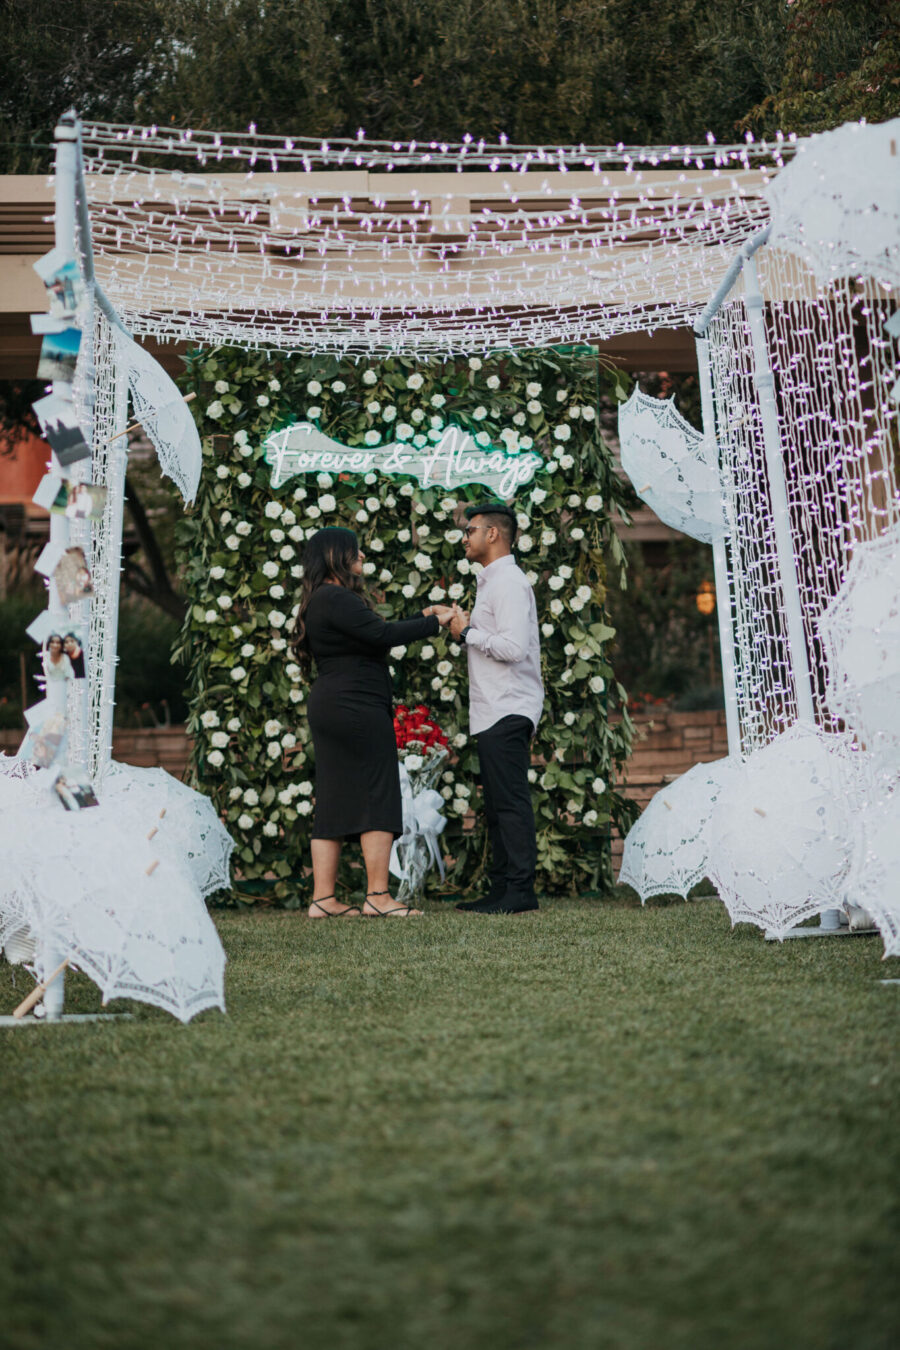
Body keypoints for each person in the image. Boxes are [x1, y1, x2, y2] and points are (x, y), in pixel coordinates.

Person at [292, 526, 454, 918]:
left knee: (332, 798)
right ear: (336, 557)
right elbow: (381, 634)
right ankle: (378, 897)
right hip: (355, 706)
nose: (362, 557)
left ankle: (323, 900)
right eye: (356, 552)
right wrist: (436, 622)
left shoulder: (320, 600)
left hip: (333, 704)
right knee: (379, 792)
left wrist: (421, 616)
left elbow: (367, 635)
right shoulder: (336, 597)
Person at [448, 502, 544, 915]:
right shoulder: (492, 581)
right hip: (493, 708)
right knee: (498, 806)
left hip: (507, 707)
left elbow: (513, 648)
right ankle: (502, 887)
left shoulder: (507, 581)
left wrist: (467, 631)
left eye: (470, 530)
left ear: (493, 534)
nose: (463, 538)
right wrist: (465, 627)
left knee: (510, 803)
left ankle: (520, 892)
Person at [42, 634, 73, 713]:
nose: (55, 645)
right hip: (51, 688)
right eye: (52, 642)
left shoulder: (65, 658)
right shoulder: (46, 657)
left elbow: (69, 674)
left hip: (63, 689)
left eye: (58, 642)